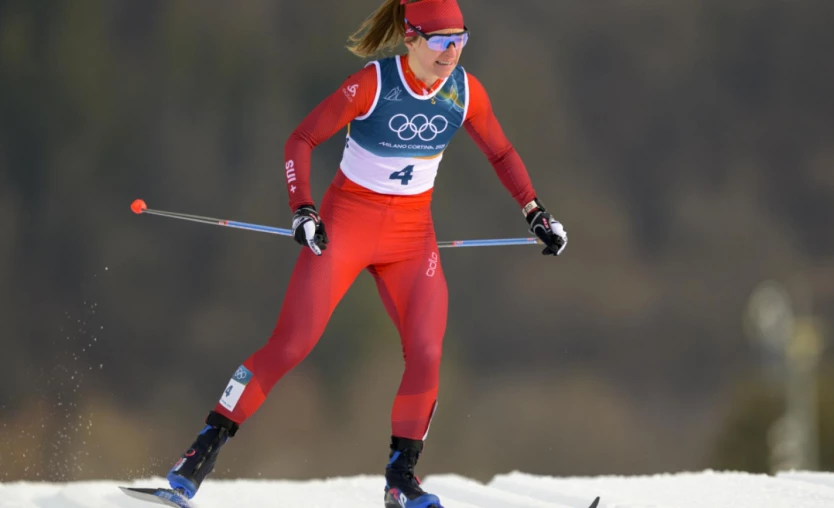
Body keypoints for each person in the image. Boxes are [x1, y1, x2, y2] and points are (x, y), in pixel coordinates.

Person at [164, 0, 567, 507]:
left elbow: (501, 153)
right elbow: (301, 139)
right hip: (346, 228)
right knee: (292, 344)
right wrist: (303, 209)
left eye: (460, 40)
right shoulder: (374, 83)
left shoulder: (465, 92)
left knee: (426, 352)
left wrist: (535, 212)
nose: (452, 53)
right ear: (412, 39)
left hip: (411, 238)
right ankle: (198, 454)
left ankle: (402, 480)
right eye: (441, 42)